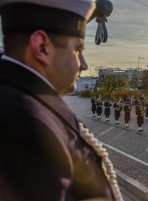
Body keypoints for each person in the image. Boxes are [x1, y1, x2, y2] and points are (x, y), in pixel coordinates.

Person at [0, 0, 122, 201]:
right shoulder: (23, 125)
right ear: (42, 47)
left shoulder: (20, 99)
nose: (83, 65)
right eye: (77, 50)